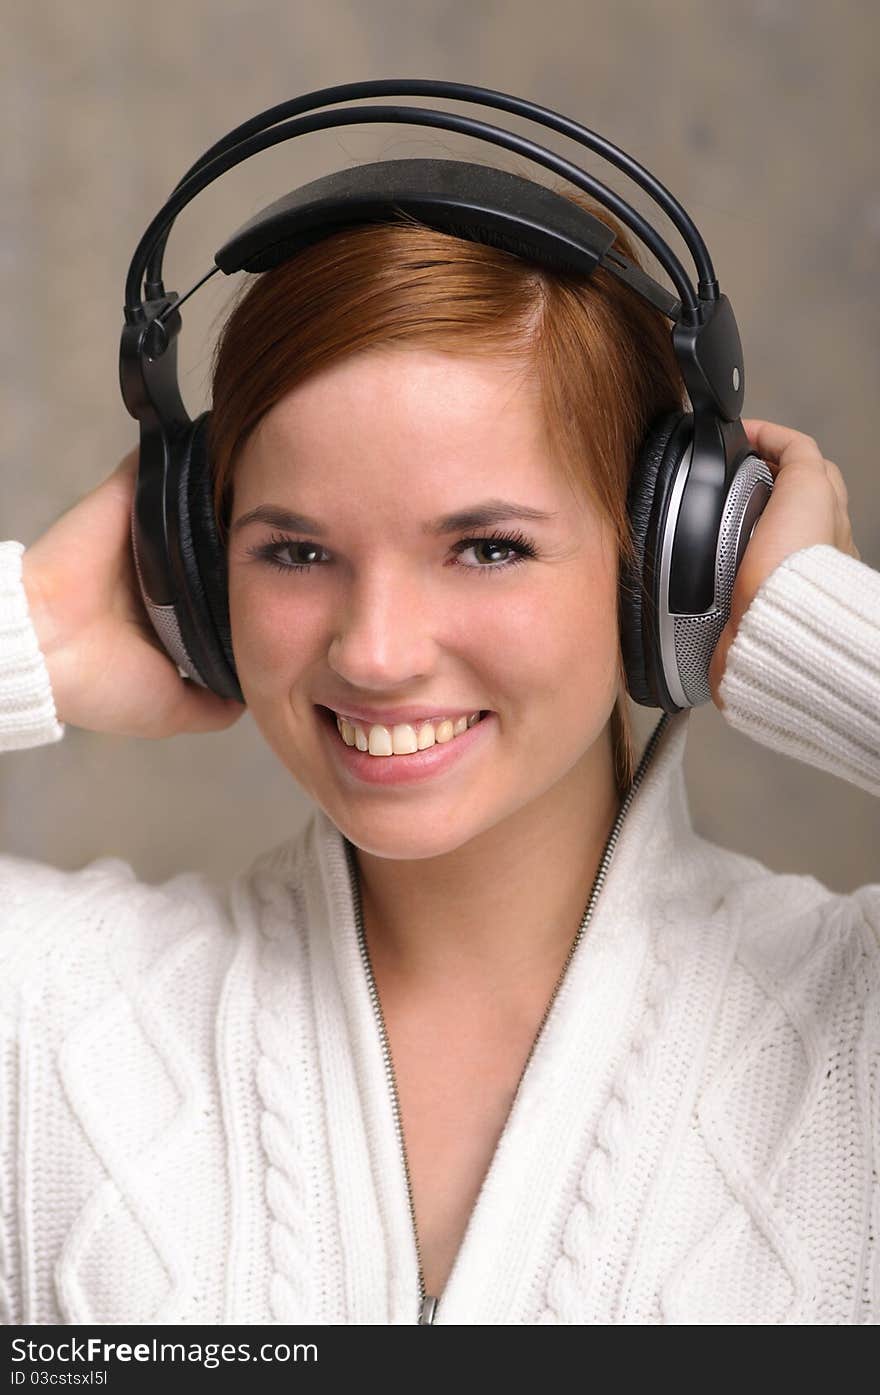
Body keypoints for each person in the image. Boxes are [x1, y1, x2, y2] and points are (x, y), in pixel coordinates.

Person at [1, 194, 878, 1327]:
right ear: (203, 576)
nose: (373, 652)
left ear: (661, 566)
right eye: (296, 549)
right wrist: (37, 631)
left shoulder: (848, 1021)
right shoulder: (48, 1013)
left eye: (486, 547)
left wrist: (813, 623)